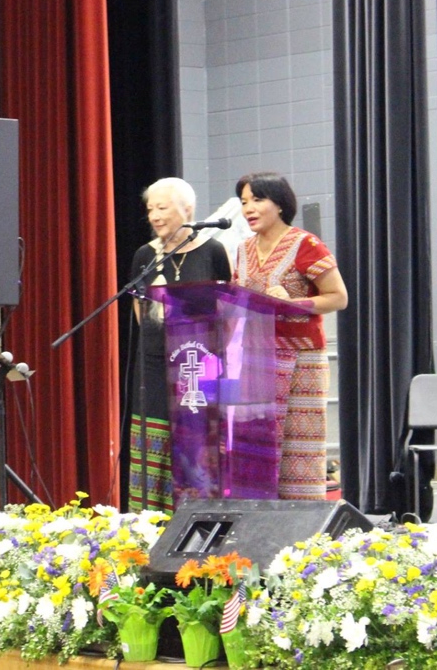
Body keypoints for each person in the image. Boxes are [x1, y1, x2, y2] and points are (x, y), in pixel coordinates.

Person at [232, 172, 348, 500]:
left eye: (257, 200)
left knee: (298, 447)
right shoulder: (242, 250)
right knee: (256, 444)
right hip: (254, 361)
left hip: (301, 360)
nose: (248, 208)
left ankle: (301, 518)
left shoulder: (305, 244)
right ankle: (259, 516)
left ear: (280, 204)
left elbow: (339, 298)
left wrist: (294, 304)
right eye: (244, 202)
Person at [127, 177, 231, 513]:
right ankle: (149, 520)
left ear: (187, 209)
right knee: (154, 437)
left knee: (197, 444)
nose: (154, 216)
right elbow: (141, 311)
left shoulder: (212, 251)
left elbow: (227, 309)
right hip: (155, 362)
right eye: (150, 209)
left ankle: (198, 517)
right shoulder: (145, 255)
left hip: (200, 364)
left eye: (162, 208)